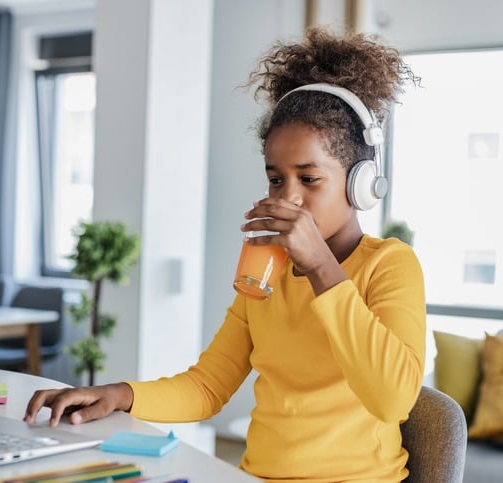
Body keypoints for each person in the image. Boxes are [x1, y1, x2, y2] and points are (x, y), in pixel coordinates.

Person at [24, 26, 425, 483]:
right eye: (276, 179)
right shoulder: (268, 272)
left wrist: (320, 267)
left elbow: (393, 399)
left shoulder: (389, 265)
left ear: (361, 183)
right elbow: (208, 386)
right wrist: (118, 394)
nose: (287, 198)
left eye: (309, 180)